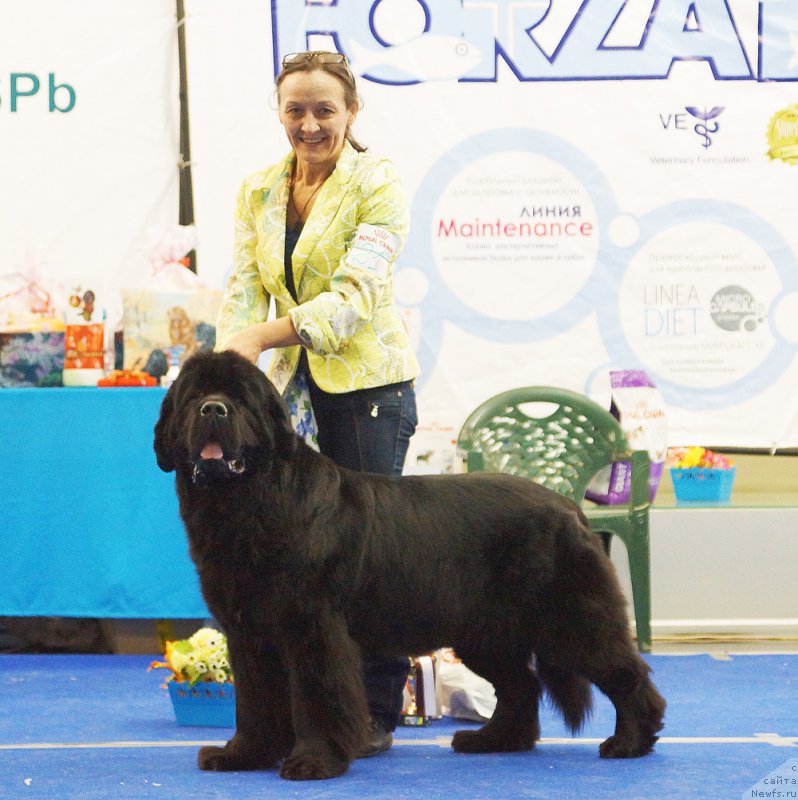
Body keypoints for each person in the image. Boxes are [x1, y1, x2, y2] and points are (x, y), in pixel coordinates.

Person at [214, 50, 421, 757]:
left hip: (369, 389)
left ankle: (374, 715)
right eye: (295, 110)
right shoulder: (257, 189)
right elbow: (245, 285)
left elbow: (355, 299)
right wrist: (227, 366)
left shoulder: (379, 182)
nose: (309, 124)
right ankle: (299, 713)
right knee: (296, 561)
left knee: (370, 558)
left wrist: (263, 335)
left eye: (324, 110)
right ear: (279, 113)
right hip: (285, 395)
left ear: (351, 112)